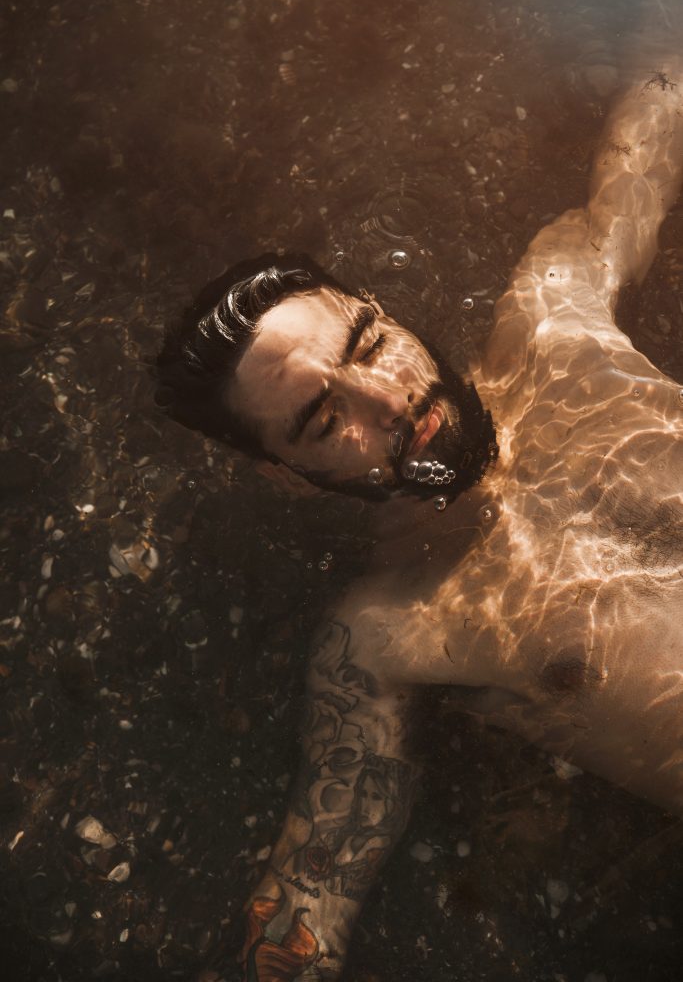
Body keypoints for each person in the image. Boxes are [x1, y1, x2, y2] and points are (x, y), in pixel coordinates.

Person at [156, 51, 683, 980]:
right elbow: (311, 884)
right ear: (288, 475)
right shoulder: (390, 632)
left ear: (385, 310)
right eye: (326, 420)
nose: (389, 399)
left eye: (370, 343)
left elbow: (647, 135)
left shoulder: (558, 319)